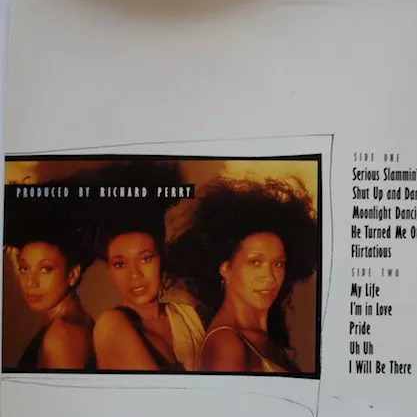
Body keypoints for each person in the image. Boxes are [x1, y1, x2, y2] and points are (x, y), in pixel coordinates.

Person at [170, 177, 318, 374]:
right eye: (255, 262)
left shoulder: (263, 336)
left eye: (278, 263)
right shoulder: (228, 346)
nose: (270, 277)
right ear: (225, 268)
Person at [88, 160, 205, 372]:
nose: (134, 274)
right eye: (120, 264)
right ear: (110, 271)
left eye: (145, 259)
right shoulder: (111, 324)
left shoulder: (188, 316)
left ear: (161, 257)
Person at [4, 187, 96, 370]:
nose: (31, 282)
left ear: (72, 275)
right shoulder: (70, 324)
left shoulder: (61, 337)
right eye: (24, 269)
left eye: (45, 269)